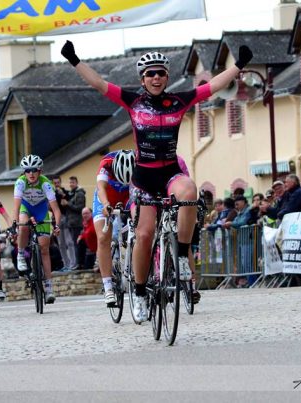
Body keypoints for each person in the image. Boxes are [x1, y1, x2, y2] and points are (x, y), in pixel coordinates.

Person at [61, 40, 253, 322]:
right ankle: (139, 292)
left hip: (170, 172)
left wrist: (239, 66)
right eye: (150, 74)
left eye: (161, 73)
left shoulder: (179, 101)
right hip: (143, 177)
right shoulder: (133, 102)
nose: (156, 78)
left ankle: (184, 256)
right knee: (144, 234)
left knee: (189, 190)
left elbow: (212, 87)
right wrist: (74, 60)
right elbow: (100, 84)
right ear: (142, 79)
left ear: (167, 77)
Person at [13, 154, 62, 304]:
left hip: (41, 210)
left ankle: (48, 288)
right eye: (28, 170)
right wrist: (15, 223)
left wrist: (57, 225)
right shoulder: (20, 182)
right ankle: (21, 254)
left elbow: (56, 210)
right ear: (24, 172)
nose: (31, 174)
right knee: (23, 224)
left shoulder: (46, 183)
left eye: (34, 170)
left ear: (40, 171)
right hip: (26, 208)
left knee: (44, 249)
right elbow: (16, 206)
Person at [92, 150, 133, 307]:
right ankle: (108, 286)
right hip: (105, 197)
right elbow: (101, 188)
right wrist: (105, 204)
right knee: (103, 238)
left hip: (127, 197)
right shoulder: (106, 164)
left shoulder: (139, 162)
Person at [62, 176, 86, 270]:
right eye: (70, 183)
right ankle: (77, 263)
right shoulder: (72, 194)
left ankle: (78, 264)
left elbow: (80, 208)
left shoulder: (79, 194)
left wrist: (68, 204)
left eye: (72, 182)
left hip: (77, 223)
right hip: (71, 223)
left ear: (76, 183)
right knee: (74, 243)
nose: (71, 184)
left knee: (77, 244)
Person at [52, 175, 74, 270]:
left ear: (60, 182)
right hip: (55, 219)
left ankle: (73, 263)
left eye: (58, 182)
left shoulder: (65, 192)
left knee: (69, 242)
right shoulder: (51, 193)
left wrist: (63, 195)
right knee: (61, 243)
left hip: (65, 218)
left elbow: (69, 201)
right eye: (55, 183)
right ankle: (66, 264)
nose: (57, 184)